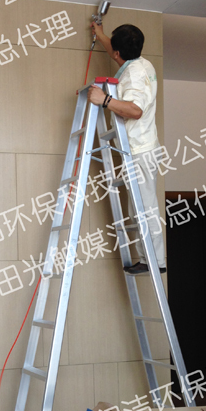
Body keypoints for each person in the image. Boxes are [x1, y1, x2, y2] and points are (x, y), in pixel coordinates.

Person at [88, 22, 166, 275]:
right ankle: (150, 258)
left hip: (140, 150)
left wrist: (104, 100)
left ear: (119, 53)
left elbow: (135, 110)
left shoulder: (133, 74)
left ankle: (155, 261)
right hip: (141, 147)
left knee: (144, 208)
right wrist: (100, 34)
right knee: (139, 208)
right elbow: (115, 52)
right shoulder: (141, 64)